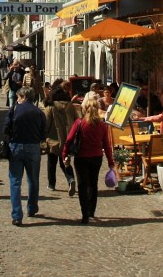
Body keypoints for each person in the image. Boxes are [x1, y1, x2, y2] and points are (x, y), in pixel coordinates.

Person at [62, 91, 114, 225]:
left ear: (84, 108)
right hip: (96, 157)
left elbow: (69, 140)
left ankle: (85, 214)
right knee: (93, 184)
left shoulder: (79, 123)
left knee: (82, 185)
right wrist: (110, 161)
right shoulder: (102, 125)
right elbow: (107, 145)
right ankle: (91, 212)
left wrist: (64, 154)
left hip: (81, 157)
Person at [5, 87, 46, 226]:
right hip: (33, 147)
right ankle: (32, 207)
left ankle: (17, 215)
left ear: (24, 97)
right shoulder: (39, 112)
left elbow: (5, 128)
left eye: (18, 97)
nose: (17, 100)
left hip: (16, 146)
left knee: (15, 181)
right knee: (33, 179)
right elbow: (43, 132)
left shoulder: (14, 110)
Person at [43, 79, 79, 195]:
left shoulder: (51, 107)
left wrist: (43, 136)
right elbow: (77, 121)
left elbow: (46, 123)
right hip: (68, 139)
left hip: (53, 139)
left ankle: (51, 184)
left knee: (51, 162)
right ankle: (70, 179)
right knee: (65, 162)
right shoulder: (70, 106)